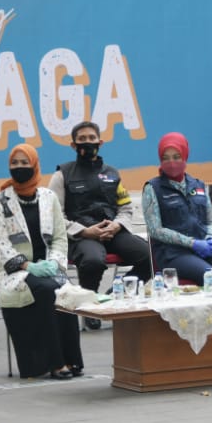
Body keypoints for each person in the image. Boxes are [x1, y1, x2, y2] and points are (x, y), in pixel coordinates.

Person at [0, 144, 83, 379]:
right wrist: (28, 266)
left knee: (66, 289)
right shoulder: (0, 201)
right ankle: (54, 363)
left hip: (49, 266)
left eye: (25, 163)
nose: (19, 167)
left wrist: (54, 264)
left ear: (35, 165)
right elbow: (2, 245)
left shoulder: (49, 198)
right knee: (46, 290)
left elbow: (60, 237)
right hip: (15, 271)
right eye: (14, 163)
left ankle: (71, 359)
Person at [48, 120, 152, 329]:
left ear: (100, 142)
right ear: (73, 145)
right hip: (81, 236)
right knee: (93, 261)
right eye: (82, 139)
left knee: (150, 256)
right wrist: (84, 231)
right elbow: (53, 215)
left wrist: (117, 225)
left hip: (113, 232)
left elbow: (126, 208)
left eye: (91, 138)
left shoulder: (113, 174)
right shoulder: (61, 175)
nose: (87, 142)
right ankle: (90, 306)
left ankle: (114, 295)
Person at [142, 132, 212, 283]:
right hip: (173, 254)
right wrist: (192, 243)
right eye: (166, 158)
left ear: (185, 156)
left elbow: (211, 221)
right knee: (211, 277)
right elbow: (155, 230)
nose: (171, 162)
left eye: (176, 157)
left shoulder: (198, 185)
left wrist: (210, 238)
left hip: (204, 249)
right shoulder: (152, 188)